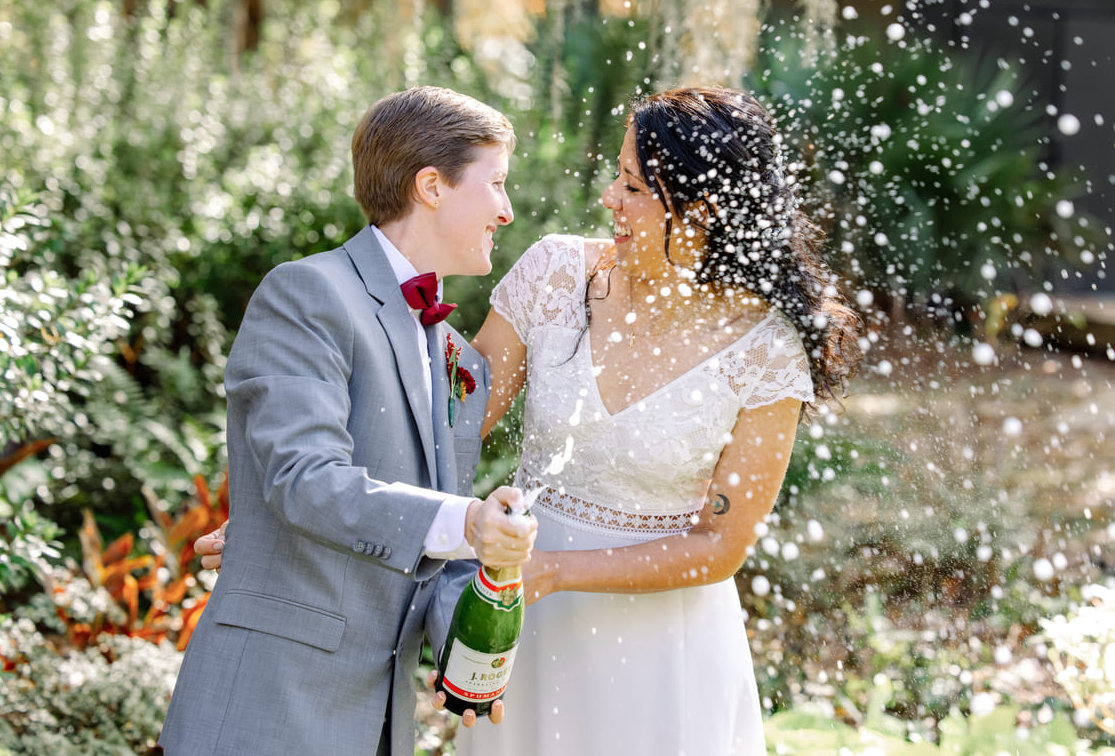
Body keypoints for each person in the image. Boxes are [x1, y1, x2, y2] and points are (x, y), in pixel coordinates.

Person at [198, 86, 861, 754]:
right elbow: (446, 423)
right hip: (517, 616)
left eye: (632, 185)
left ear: (701, 206)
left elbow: (722, 545)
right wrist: (307, 515)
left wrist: (555, 571)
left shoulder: (768, 348)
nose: (609, 198)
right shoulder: (555, 272)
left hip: (663, 644)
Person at [161, 86, 538, 756]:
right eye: (497, 184)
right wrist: (467, 522)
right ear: (432, 185)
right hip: (272, 701)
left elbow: (440, 550)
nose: (507, 210)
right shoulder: (307, 294)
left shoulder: (461, 363)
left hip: (380, 720)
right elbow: (305, 481)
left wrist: (473, 643)